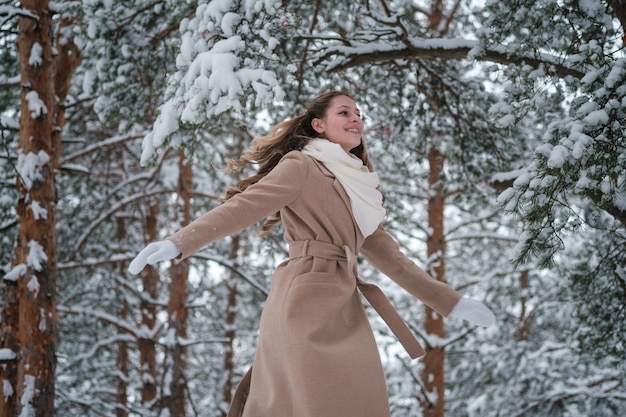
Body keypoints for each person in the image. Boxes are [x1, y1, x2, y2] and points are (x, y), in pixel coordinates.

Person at [129, 91, 495, 417]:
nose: (356, 119)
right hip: (304, 298)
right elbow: (246, 206)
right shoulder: (301, 165)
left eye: (358, 113)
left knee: (356, 398)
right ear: (318, 125)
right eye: (344, 112)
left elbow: (394, 261)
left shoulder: (361, 188)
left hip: (344, 303)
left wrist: (452, 302)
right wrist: (180, 242)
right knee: (307, 401)